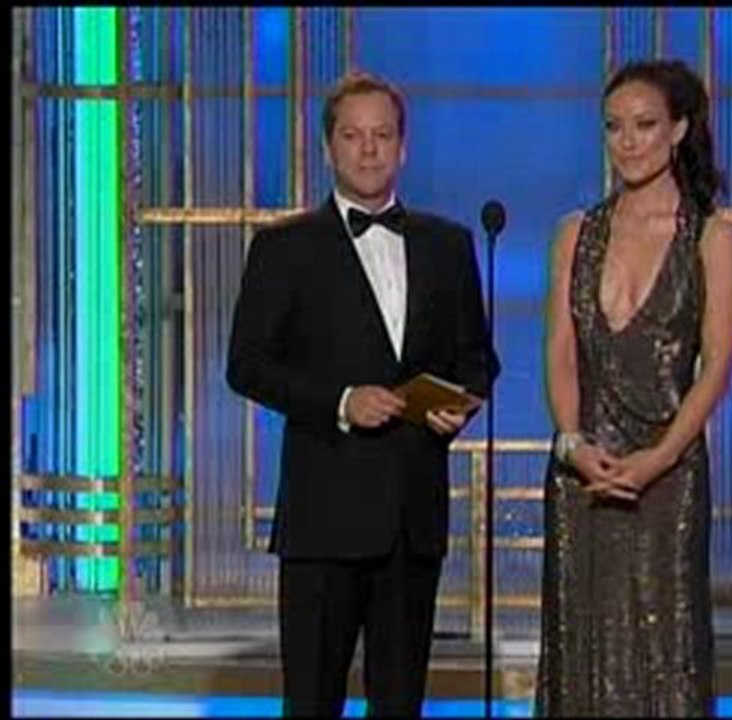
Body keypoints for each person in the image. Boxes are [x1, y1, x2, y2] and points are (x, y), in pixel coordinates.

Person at [226, 70, 499, 718]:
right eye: (353, 136)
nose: (368, 149)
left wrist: (455, 404)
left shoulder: (450, 245)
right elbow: (247, 365)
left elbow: (478, 358)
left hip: (412, 520)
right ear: (329, 148)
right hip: (323, 518)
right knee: (312, 701)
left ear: (403, 147)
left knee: (400, 702)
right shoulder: (282, 247)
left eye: (382, 135)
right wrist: (342, 401)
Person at [535, 59, 732, 717]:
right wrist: (570, 443)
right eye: (615, 127)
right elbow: (560, 349)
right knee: (582, 649)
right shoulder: (575, 233)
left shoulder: (712, 237)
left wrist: (657, 459)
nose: (628, 141)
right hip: (582, 472)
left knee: (665, 653)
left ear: (679, 129)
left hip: (669, 474)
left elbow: (716, 368)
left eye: (645, 125)